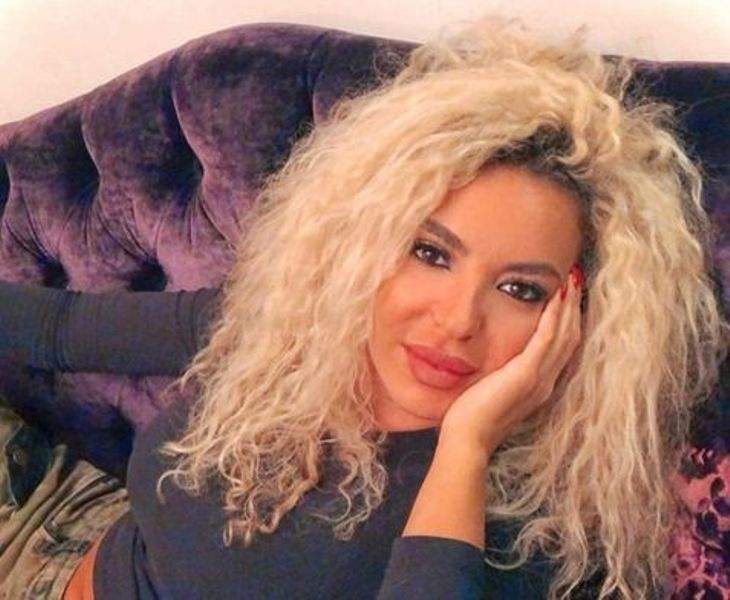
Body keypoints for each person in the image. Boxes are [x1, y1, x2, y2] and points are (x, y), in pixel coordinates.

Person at [0, 14, 728, 600]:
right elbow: (59, 329)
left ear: (579, 317)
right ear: (365, 241)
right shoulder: (285, 328)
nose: (457, 320)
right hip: (54, 554)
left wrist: (465, 450)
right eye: (430, 252)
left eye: (520, 289)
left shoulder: (540, 518)